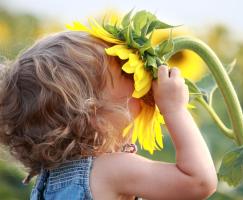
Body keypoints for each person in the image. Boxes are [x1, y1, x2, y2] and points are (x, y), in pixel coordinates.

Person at [0, 31, 217, 200]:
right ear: (93, 114)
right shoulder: (112, 169)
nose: (135, 77)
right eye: (124, 72)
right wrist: (174, 109)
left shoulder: (50, 179)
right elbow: (198, 182)